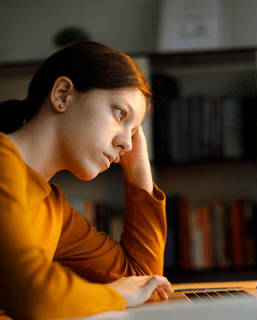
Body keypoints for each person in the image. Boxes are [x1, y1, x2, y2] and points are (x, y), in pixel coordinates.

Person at [0, 41, 173, 319]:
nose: (127, 144)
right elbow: (32, 296)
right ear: (62, 94)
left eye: (134, 132)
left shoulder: (54, 210)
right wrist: (116, 294)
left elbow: (144, 281)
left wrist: (139, 169)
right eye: (120, 113)